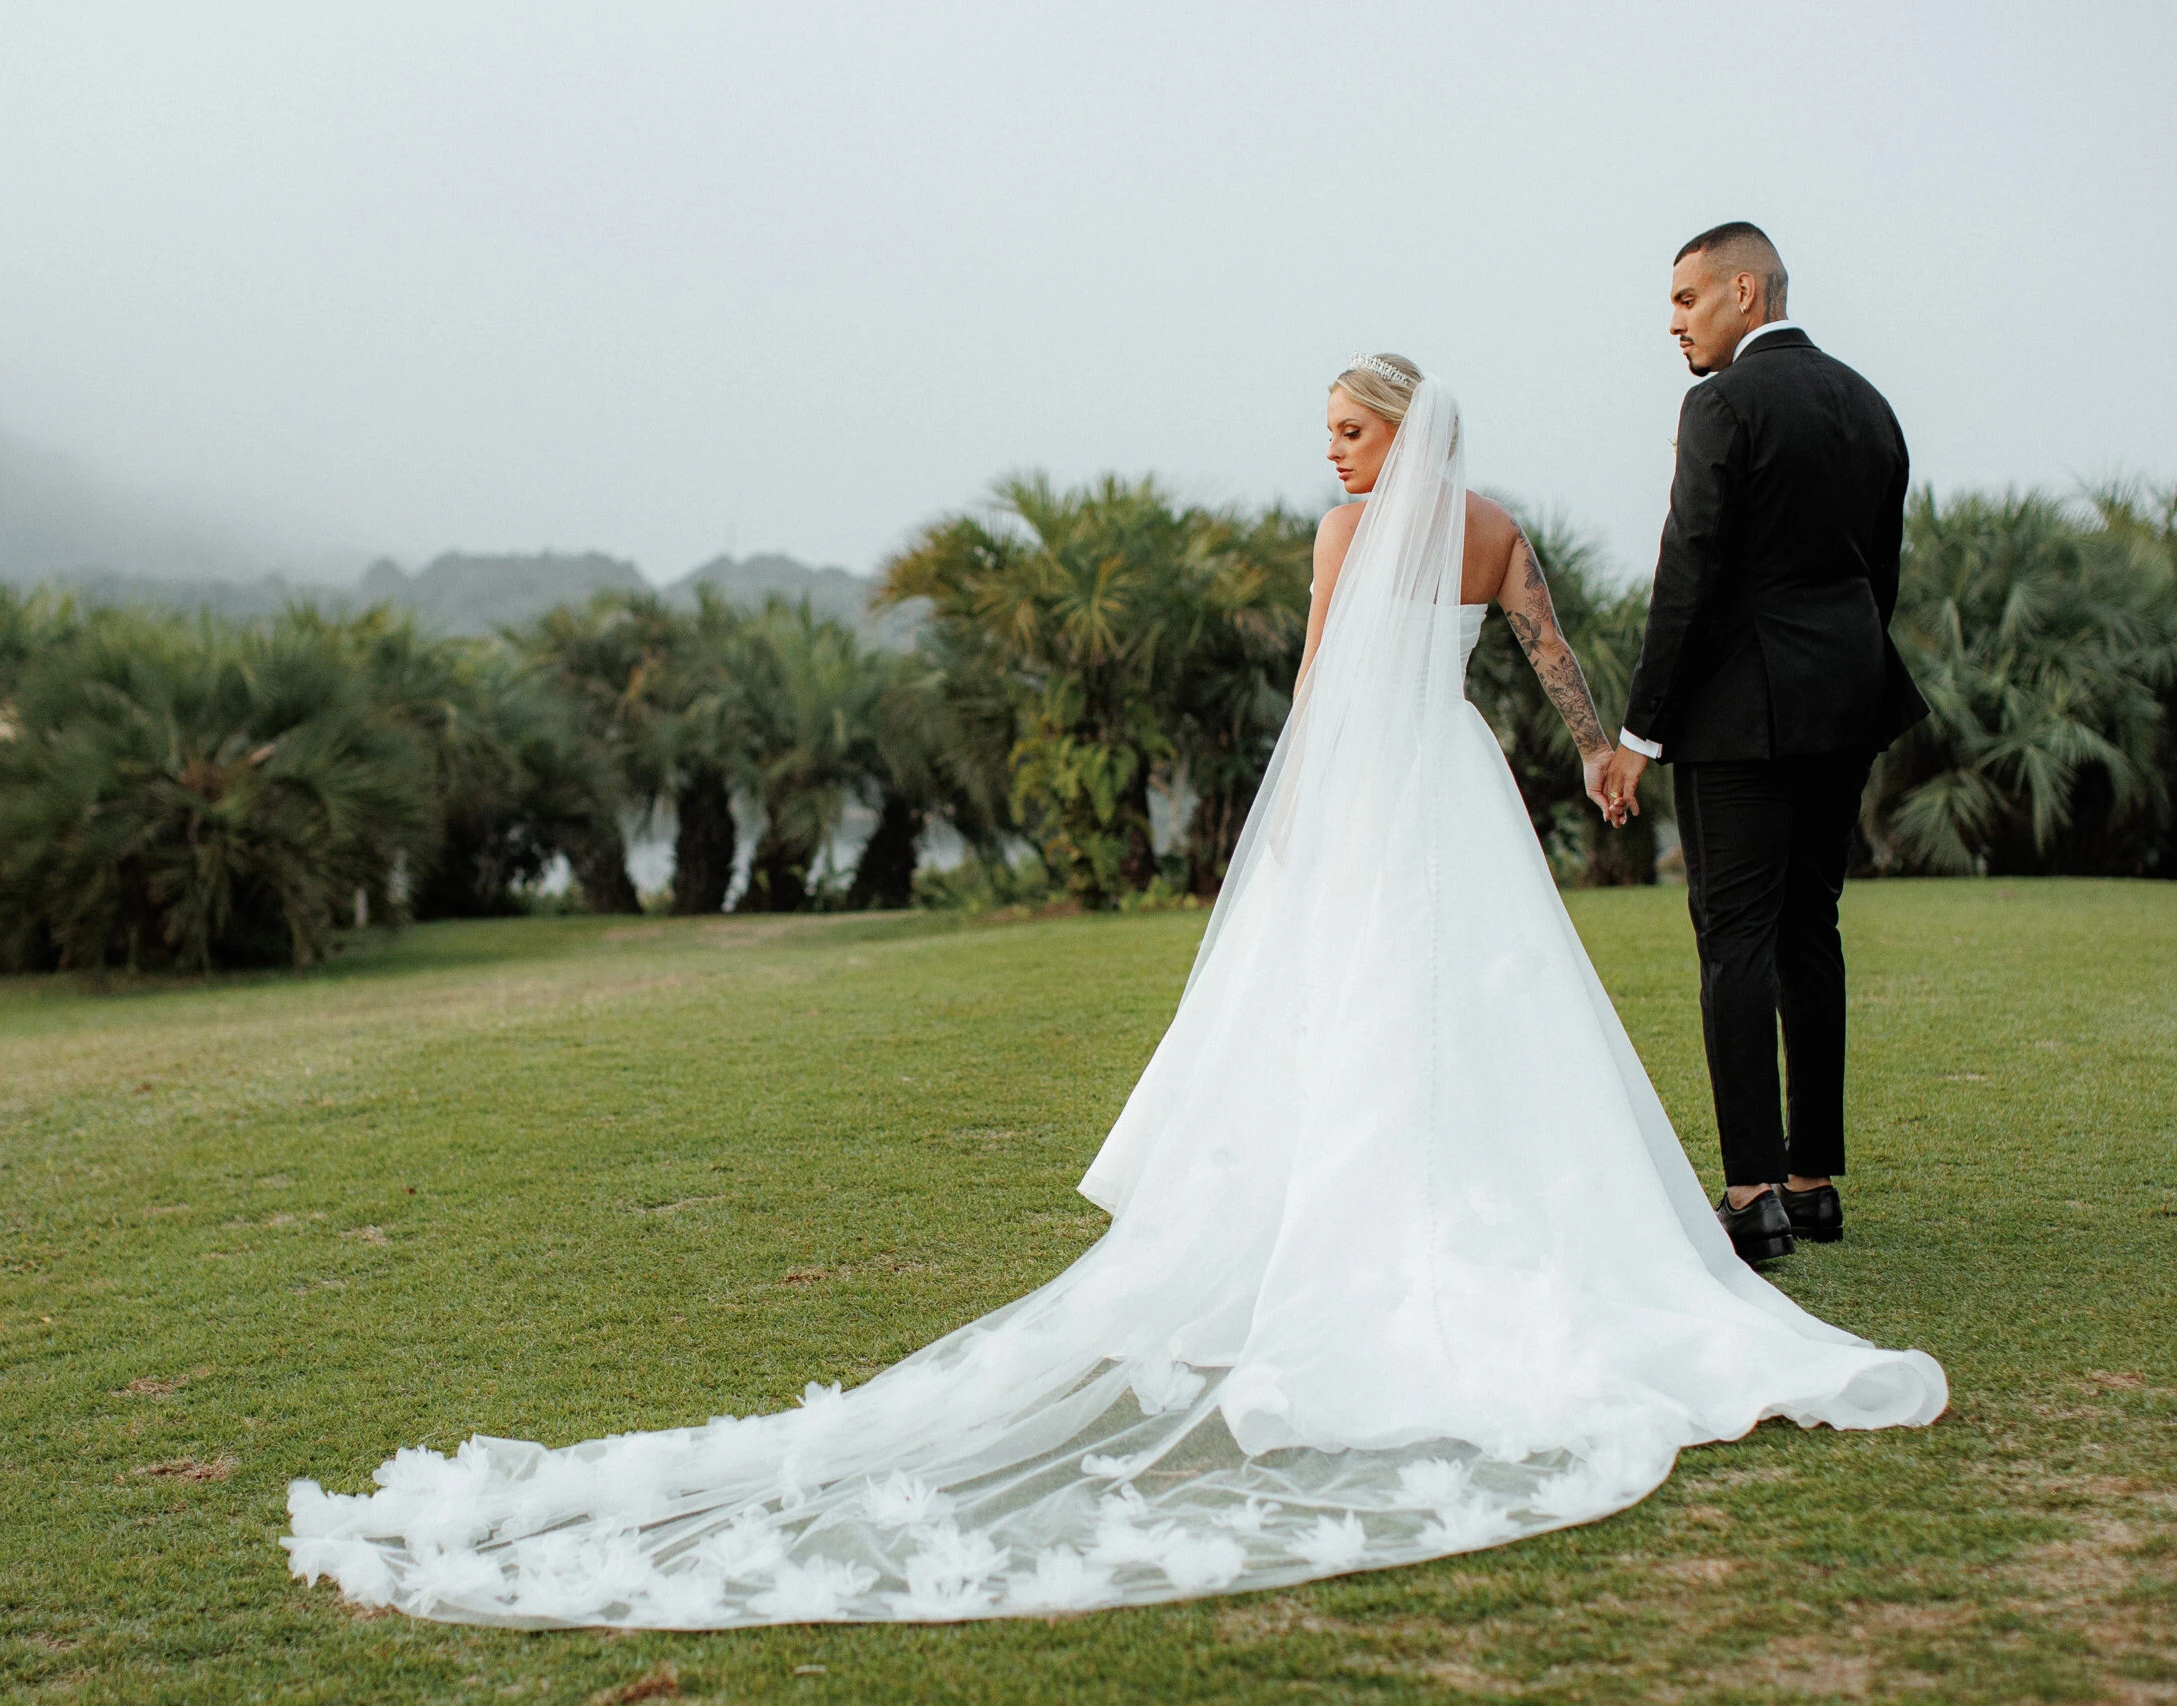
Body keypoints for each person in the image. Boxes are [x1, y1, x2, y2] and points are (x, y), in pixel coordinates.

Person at [284, 357, 1944, 1630]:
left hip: (1371, 789)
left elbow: (1316, 695)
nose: (1336, 456)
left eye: (1349, 431)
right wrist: (1592, 747)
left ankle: (1368, 1233)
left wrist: (1285, 840)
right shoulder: (1491, 526)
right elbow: (1552, 655)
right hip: (1453, 782)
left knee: (1379, 1003)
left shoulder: (1355, 535)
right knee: (1460, 1003)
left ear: (1394, 432)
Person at [1596, 223, 1927, 1263]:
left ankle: (1750, 1195)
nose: (1674, 320)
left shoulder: (1720, 403)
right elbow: (1880, 568)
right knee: (1807, 929)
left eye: (1687, 299)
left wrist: (1638, 731)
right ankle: (1812, 1180)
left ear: (1745, 290)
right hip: (1848, 699)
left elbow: (1687, 567)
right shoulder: (1868, 402)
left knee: (1733, 938)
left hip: (1740, 714)